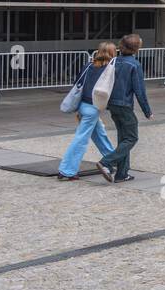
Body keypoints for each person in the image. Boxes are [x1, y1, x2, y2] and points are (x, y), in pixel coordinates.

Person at [97, 33, 152, 184]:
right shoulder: (134, 65)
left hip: (113, 104)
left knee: (123, 139)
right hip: (124, 105)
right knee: (132, 138)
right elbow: (139, 91)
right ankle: (106, 162)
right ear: (136, 48)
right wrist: (147, 111)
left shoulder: (115, 61)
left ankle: (122, 174)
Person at [57, 42, 116, 180]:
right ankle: (67, 170)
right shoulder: (110, 69)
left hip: (83, 104)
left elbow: (77, 85)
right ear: (112, 53)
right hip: (94, 107)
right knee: (81, 139)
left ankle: (114, 160)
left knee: (100, 134)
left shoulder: (88, 66)